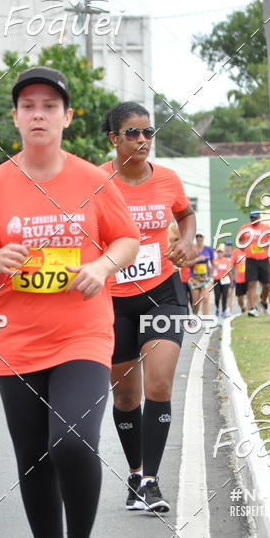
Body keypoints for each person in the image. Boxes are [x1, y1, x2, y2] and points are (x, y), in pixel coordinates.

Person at [0, 67, 139, 538]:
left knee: (73, 440)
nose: (38, 114)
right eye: (28, 105)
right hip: (16, 340)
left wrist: (103, 267)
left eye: (49, 105)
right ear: (15, 118)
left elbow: (127, 238)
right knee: (34, 456)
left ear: (66, 117)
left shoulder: (93, 180)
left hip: (82, 333)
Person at [101, 102, 196, 513]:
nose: (143, 140)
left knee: (159, 385)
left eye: (148, 132)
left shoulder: (168, 179)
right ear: (114, 139)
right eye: (133, 133)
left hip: (162, 293)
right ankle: (136, 473)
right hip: (113, 299)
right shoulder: (95, 181)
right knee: (125, 396)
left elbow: (186, 214)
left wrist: (187, 240)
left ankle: (153, 482)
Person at [236, 210, 270, 316]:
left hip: (264, 259)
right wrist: (242, 246)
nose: (253, 220)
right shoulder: (244, 228)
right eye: (252, 218)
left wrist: (266, 244)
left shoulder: (266, 228)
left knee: (266, 285)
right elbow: (239, 241)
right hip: (251, 260)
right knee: (251, 284)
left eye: (255, 218)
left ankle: (264, 302)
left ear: (260, 218)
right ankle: (252, 309)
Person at [188, 232, 214, 315]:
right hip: (194, 278)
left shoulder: (209, 249)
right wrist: (197, 259)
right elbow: (188, 264)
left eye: (201, 236)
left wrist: (212, 275)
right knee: (196, 302)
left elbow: (213, 263)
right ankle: (195, 316)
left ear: (203, 237)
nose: (199, 238)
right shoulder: (192, 250)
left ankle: (206, 320)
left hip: (206, 277)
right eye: (197, 236)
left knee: (205, 298)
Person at [212, 246, 231, 317]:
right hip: (217, 280)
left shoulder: (226, 261)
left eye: (221, 252)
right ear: (217, 253)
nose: (219, 254)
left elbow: (229, 271)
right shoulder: (214, 260)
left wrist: (231, 280)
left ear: (223, 253)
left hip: (225, 280)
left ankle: (224, 310)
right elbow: (212, 271)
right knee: (217, 295)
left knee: (224, 295)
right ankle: (217, 308)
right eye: (218, 252)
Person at [230, 244, 248, 313]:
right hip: (239, 279)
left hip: (249, 278)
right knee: (240, 298)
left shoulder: (249, 250)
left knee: (250, 294)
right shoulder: (236, 252)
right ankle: (243, 308)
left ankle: (249, 310)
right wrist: (231, 278)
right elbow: (231, 265)